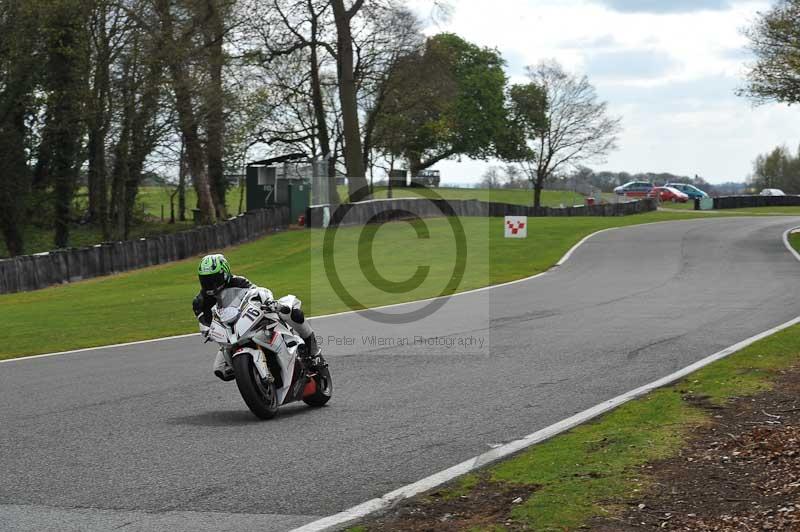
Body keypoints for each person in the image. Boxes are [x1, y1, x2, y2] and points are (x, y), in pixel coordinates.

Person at [192, 253, 320, 381]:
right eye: (205, 280)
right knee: (220, 370)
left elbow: (257, 292)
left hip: (250, 321)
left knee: (290, 311)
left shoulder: (239, 282)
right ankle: (253, 376)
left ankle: (313, 351)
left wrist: (268, 302)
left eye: (213, 278)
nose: (209, 283)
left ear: (224, 273)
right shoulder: (200, 301)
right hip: (230, 333)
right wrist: (207, 329)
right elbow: (203, 321)